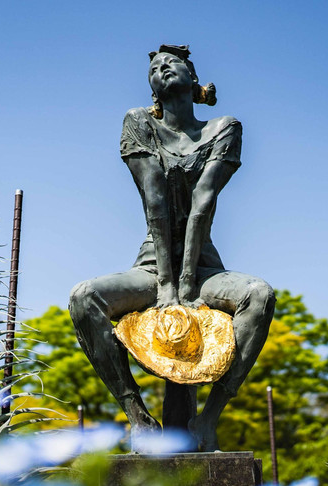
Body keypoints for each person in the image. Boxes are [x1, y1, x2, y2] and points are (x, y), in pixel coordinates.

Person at [69, 45, 274, 451]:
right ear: (151, 90)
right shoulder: (138, 123)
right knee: (83, 298)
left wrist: (185, 285)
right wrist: (166, 286)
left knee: (259, 295)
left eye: (171, 63)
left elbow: (203, 202)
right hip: (152, 267)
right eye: (154, 69)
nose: (161, 70)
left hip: (204, 270)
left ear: (194, 77)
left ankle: (208, 418)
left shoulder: (224, 128)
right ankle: (137, 415)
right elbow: (155, 199)